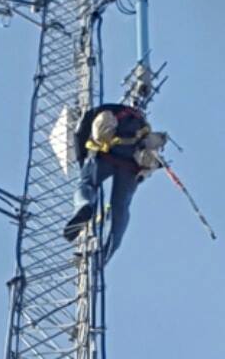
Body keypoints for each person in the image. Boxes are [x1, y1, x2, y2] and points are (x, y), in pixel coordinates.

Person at [61, 103, 165, 260]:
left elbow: (80, 134)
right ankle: (105, 253)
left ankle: (84, 205)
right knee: (120, 207)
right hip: (131, 164)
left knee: (86, 184)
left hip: (104, 156)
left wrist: (83, 160)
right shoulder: (139, 123)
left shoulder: (96, 114)